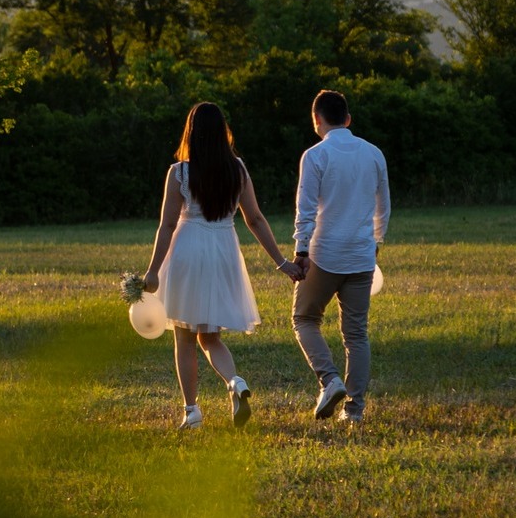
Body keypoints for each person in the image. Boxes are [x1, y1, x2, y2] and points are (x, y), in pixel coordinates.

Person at [143, 101, 299, 430]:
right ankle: (235, 382)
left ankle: (192, 411)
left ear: (192, 132)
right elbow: (255, 219)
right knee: (210, 338)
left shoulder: (179, 172)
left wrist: (153, 271)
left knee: (185, 339)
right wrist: (282, 262)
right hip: (223, 251)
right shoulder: (238, 169)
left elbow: (167, 226)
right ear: (222, 133)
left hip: (188, 249)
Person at [291, 89, 390, 427]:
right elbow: (383, 206)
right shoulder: (374, 153)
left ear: (317, 120)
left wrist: (301, 250)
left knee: (304, 319)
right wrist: (376, 241)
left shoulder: (315, 155)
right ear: (348, 118)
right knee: (356, 335)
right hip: (362, 256)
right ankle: (355, 410)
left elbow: (305, 209)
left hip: (323, 254)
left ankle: (330, 379)